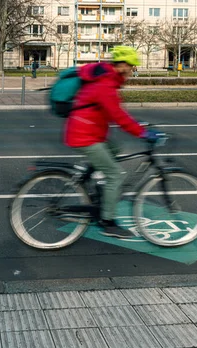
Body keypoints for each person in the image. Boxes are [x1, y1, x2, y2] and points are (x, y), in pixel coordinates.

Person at [65, 46, 157, 239]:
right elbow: (118, 116)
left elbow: (114, 112)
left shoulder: (108, 79)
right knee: (115, 175)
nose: (132, 71)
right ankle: (107, 222)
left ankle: (95, 185)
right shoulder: (106, 84)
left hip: (89, 132)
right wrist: (143, 133)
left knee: (115, 148)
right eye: (131, 67)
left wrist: (139, 126)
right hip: (85, 135)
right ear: (122, 65)